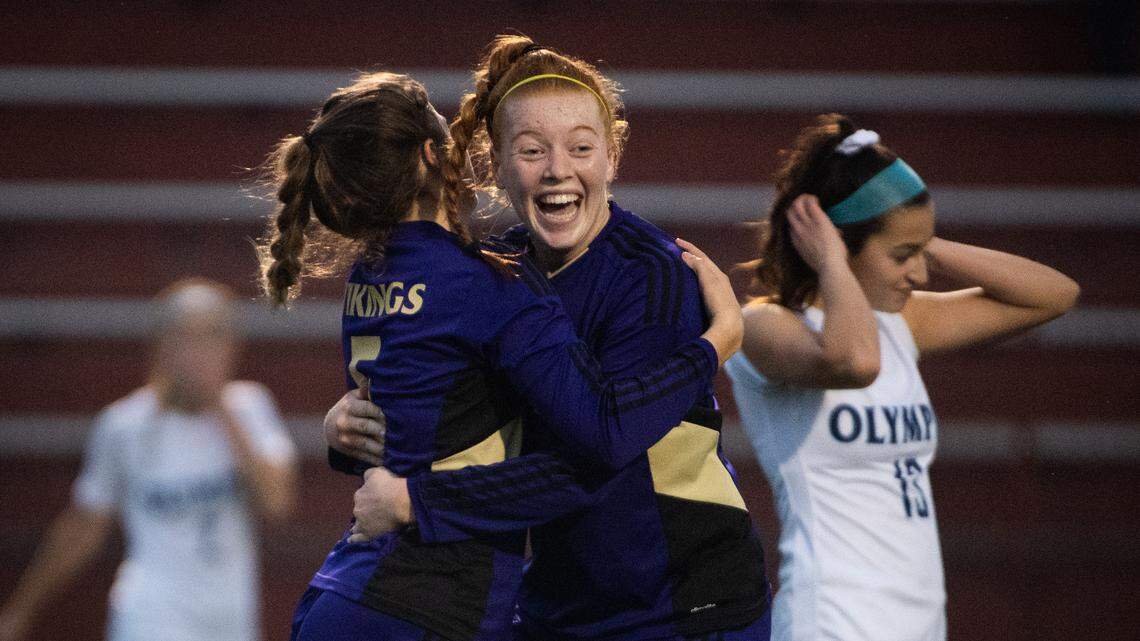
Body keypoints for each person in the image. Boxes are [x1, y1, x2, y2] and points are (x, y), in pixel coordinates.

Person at [255, 71, 743, 641]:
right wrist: (717, 344)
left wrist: (362, 450)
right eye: (533, 150)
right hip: (437, 608)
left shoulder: (377, 270)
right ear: (463, 159)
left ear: (611, 155)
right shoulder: (493, 279)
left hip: (358, 591)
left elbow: (436, 424)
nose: (558, 167)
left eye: (580, 147)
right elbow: (603, 435)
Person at [721, 116, 1080, 641]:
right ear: (836, 244)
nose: (920, 275)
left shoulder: (896, 324)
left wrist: (920, 238)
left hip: (919, 623)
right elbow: (854, 363)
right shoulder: (765, 326)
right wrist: (833, 262)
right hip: (833, 620)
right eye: (902, 257)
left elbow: (1054, 294)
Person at [0, 279, 297, 641]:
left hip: (230, 621)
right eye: (187, 337)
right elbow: (83, 528)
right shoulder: (125, 425)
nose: (200, 351)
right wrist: (22, 609)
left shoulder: (252, 408)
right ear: (162, 347)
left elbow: (276, 502)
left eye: (213, 336)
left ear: (232, 346)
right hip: (151, 617)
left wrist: (221, 410)